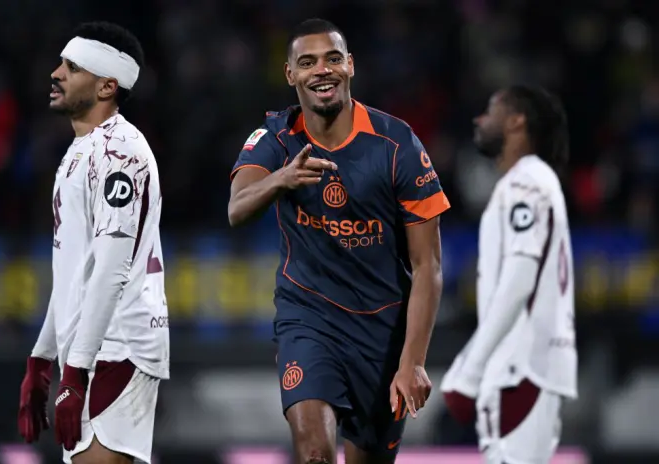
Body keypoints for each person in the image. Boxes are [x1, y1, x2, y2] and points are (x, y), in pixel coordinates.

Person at [228, 18, 450, 464]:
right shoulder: (276, 138)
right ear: (290, 74)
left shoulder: (397, 144)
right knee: (314, 451)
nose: (321, 71)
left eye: (332, 59)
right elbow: (237, 208)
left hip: (381, 332)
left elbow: (428, 265)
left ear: (350, 65)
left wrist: (413, 362)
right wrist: (282, 179)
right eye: (307, 62)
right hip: (308, 318)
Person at [17, 21, 169, 464]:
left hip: (119, 345)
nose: (56, 73)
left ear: (107, 86)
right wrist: (41, 359)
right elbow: (74, 272)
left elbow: (111, 269)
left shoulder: (121, 153)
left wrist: (75, 372)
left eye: (72, 67)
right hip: (91, 350)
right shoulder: (80, 151)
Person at [441, 85, 578, 464]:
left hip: (521, 368)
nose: (479, 119)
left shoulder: (525, 182)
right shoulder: (532, 181)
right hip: (531, 366)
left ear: (517, 121)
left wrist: (471, 367)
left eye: (490, 110)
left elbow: (520, 278)